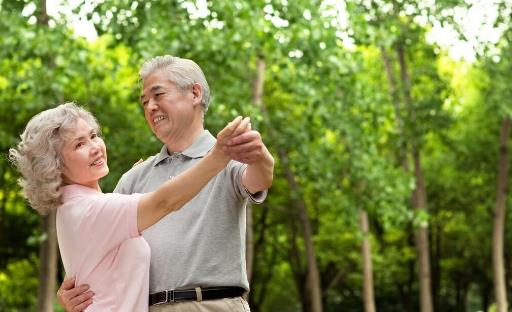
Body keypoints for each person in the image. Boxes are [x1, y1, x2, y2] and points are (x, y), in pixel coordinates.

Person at [58, 55, 275, 311]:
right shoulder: (134, 178)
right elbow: (102, 249)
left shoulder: (226, 157)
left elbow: (260, 177)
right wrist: (69, 289)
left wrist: (260, 156)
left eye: (158, 95)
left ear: (195, 93)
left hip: (213, 304)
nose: (150, 107)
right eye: (144, 102)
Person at [10, 102, 251, 311]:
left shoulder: (78, 207)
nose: (95, 147)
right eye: (79, 145)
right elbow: (163, 202)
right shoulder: (89, 209)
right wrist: (219, 155)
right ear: (55, 166)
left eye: (93, 136)